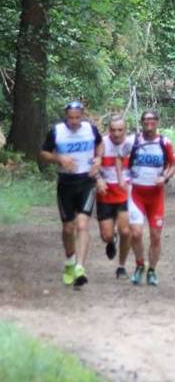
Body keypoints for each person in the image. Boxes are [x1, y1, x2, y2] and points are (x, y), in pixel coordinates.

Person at [40, 101, 103, 287]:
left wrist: (98, 159)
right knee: (68, 228)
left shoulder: (90, 129)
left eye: (77, 117)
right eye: (70, 118)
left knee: (83, 224)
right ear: (65, 116)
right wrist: (58, 157)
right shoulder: (57, 131)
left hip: (87, 182)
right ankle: (69, 261)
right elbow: (43, 153)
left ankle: (80, 267)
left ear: (82, 115)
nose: (74, 121)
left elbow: (100, 145)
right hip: (66, 183)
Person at [128, 110, 175, 286]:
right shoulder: (133, 141)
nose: (149, 122)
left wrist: (165, 177)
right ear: (142, 122)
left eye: (152, 119)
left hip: (156, 196)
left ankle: (152, 270)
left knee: (155, 236)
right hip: (136, 194)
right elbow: (121, 160)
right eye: (146, 119)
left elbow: (173, 165)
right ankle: (139, 264)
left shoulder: (165, 142)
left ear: (157, 121)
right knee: (136, 233)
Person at [96, 115, 132, 279]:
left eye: (120, 130)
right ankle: (111, 240)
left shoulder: (132, 144)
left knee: (126, 231)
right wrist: (98, 179)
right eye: (113, 130)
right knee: (107, 235)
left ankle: (121, 266)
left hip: (125, 192)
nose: (116, 134)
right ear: (108, 130)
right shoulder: (101, 144)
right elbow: (92, 164)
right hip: (105, 193)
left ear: (125, 129)